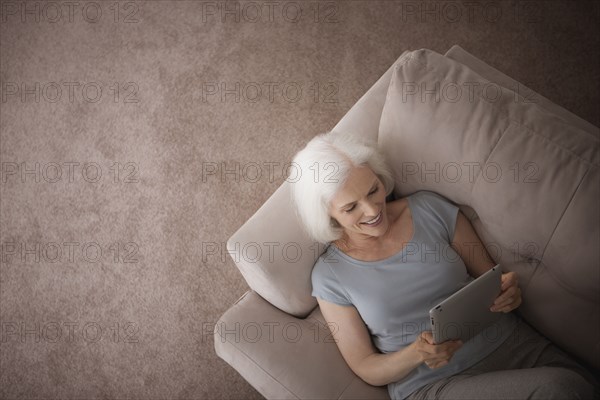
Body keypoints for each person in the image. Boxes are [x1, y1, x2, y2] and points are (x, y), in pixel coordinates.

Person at [290, 131, 599, 400]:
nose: (372, 210)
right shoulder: (331, 276)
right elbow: (366, 367)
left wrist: (509, 290)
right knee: (560, 389)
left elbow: (493, 277)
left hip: (510, 342)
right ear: (327, 215)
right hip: (435, 382)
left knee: (583, 384)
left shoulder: (429, 209)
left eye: (373, 190)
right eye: (350, 207)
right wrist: (416, 354)